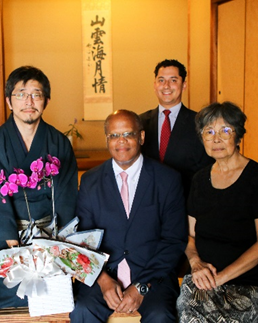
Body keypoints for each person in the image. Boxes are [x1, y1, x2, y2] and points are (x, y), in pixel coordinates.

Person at [0, 65, 78, 310]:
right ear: (9, 100)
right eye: (21, 94)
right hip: (10, 239)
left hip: (50, 235)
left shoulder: (59, 142)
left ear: (46, 100)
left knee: (54, 303)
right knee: (13, 301)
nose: (29, 101)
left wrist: (59, 239)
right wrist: (10, 240)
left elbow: (67, 195)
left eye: (36, 94)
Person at [70, 110, 187, 323]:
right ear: (107, 140)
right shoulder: (90, 181)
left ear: (141, 137)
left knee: (161, 316)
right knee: (82, 310)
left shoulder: (167, 179)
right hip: (104, 275)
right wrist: (103, 279)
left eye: (128, 134)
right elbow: (82, 239)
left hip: (153, 277)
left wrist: (142, 286)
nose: (121, 141)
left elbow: (174, 240)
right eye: (114, 135)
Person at [176, 102, 258, 322]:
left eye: (225, 131)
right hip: (203, 278)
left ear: (238, 136)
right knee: (188, 313)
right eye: (209, 132)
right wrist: (196, 263)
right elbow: (190, 236)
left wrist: (221, 278)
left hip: (249, 283)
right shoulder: (199, 180)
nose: (217, 139)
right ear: (202, 138)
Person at [140, 59, 214, 198]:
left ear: (184, 85)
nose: (166, 86)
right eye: (161, 80)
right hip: (148, 199)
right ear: (155, 85)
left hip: (186, 199)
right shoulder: (140, 122)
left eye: (173, 80)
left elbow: (207, 168)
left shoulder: (200, 122)